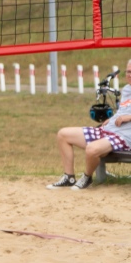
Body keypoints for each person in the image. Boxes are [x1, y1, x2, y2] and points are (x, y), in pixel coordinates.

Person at [49, 58, 131, 190]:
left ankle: (87, 177)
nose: (129, 75)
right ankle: (69, 177)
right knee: (63, 135)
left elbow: (127, 114)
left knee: (92, 149)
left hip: (123, 137)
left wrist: (128, 117)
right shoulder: (127, 89)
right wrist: (113, 118)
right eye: (128, 71)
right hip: (109, 130)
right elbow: (123, 110)